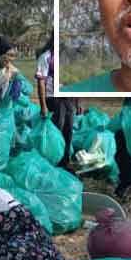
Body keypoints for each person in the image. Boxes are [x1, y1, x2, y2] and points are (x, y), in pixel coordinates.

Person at [35, 38, 77, 167]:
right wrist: (43, 106)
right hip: (53, 97)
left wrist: (77, 100)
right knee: (58, 127)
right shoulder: (45, 57)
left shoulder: (65, 57)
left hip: (67, 97)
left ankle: (65, 161)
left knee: (69, 129)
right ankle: (54, 161)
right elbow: (41, 82)